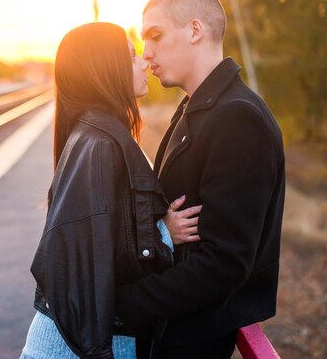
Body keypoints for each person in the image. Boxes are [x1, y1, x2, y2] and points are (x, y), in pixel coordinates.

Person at [114, 0, 285, 359]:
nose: (147, 53)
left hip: (193, 338)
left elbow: (225, 262)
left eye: (155, 36)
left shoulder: (238, 117)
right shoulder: (199, 107)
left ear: (195, 30)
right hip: (173, 327)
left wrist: (125, 304)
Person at [20, 22, 201, 359]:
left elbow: (102, 235)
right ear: (107, 68)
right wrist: (164, 232)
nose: (144, 61)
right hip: (73, 348)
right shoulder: (101, 144)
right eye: (132, 55)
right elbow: (90, 254)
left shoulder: (96, 134)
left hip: (68, 341)